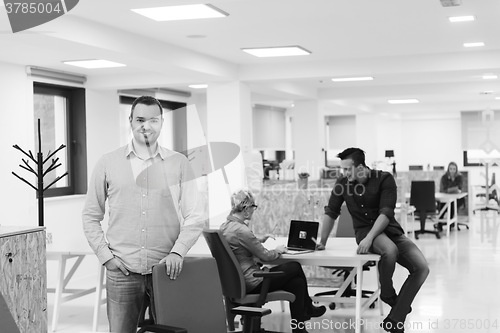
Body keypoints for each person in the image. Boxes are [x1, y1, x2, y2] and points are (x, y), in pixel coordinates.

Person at [82, 96, 205, 333]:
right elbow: (90, 215)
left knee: (173, 330)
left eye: (153, 120)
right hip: (122, 270)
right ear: (130, 121)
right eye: (140, 119)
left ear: (161, 124)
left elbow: (195, 216)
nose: (146, 126)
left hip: (167, 269)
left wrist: (178, 252)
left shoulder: (179, 163)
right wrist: (106, 256)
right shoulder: (108, 163)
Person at [317, 148, 429, 333]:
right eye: (342, 170)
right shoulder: (343, 183)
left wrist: (371, 238)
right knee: (389, 251)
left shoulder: (384, 179)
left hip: (389, 230)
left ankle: (393, 317)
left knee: (422, 268)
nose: (344, 174)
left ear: (360, 167)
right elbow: (331, 211)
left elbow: (386, 213)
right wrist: (322, 241)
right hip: (364, 231)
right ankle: (389, 296)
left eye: (348, 169)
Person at [220, 189, 326, 333]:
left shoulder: (225, 227)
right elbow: (266, 256)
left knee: (297, 283)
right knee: (295, 266)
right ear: (245, 209)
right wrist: (278, 250)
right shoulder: (242, 231)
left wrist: (258, 239)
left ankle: (299, 328)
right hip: (254, 282)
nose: (253, 210)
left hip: (236, 284)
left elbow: (239, 242)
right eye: (253, 207)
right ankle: (307, 309)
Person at [437, 162, 465, 227]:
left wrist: (449, 189)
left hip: (457, 198)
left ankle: (451, 223)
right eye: (451, 169)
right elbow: (444, 189)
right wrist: (454, 189)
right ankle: (440, 223)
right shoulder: (444, 177)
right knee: (443, 205)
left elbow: (460, 187)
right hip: (445, 197)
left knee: (452, 204)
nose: (452, 171)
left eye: (454, 169)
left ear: (456, 170)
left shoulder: (459, 177)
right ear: (448, 169)